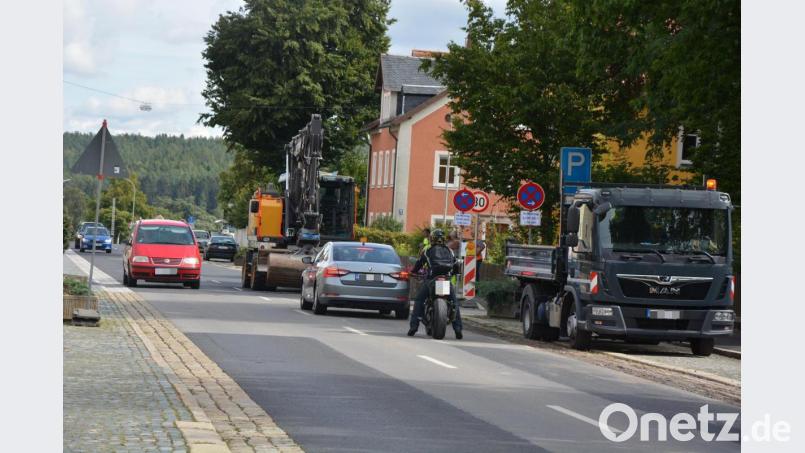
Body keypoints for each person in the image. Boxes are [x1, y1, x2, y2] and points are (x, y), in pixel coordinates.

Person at [408, 229, 463, 339]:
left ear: (431, 239)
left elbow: (419, 263)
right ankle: (457, 329)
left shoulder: (427, 250)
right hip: (446, 280)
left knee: (419, 300)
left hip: (431, 279)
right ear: (443, 239)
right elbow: (456, 266)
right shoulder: (449, 250)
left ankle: (413, 327)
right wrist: (453, 274)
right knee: (454, 302)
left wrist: (413, 272)